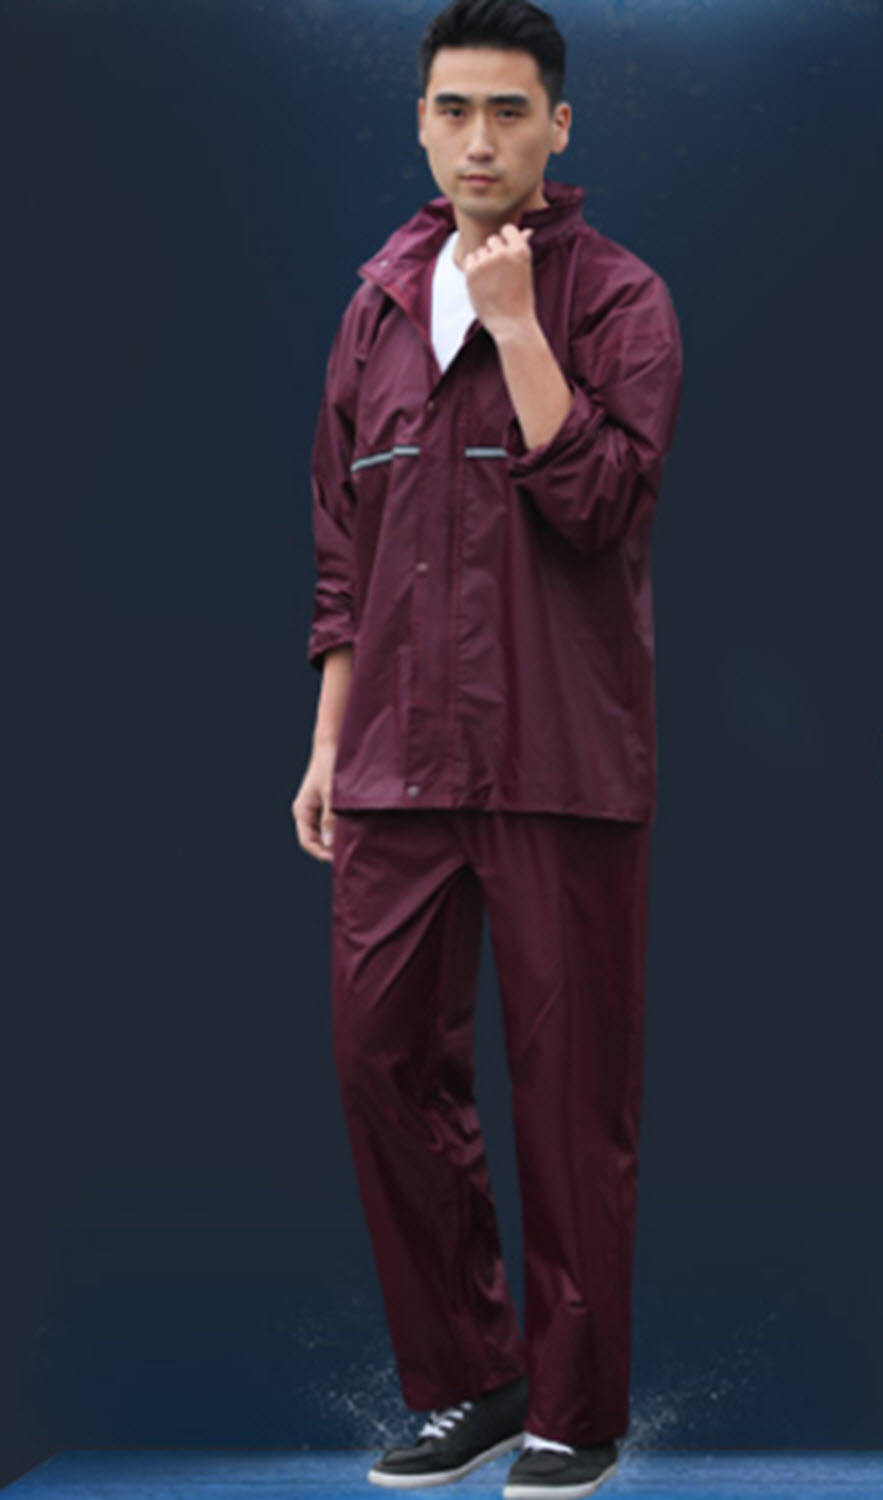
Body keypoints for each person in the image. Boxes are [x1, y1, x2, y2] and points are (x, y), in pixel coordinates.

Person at [291, 1, 683, 1494]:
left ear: (557, 127)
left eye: (509, 111)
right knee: (379, 1061)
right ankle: (471, 1378)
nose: (478, 139)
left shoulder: (620, 298)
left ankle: (577, 1410)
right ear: (419, 121)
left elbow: (602, 507)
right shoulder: (376, 307)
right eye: (453, 109)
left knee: (571, 1097)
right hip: (393, 759)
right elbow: (344, 548)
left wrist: (518, 326)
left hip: (558, 760)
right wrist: (327, 743)